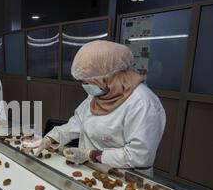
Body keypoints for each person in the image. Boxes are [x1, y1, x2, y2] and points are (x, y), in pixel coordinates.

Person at [34, 40, 166, 177]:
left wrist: (92, 155)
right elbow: (76, 124)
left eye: (89, 81)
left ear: (109, 76)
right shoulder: (100, 94)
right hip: (90, 171)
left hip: (124, 178)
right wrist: (51, 138)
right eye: (83, 81)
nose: (85, 85)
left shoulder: (142, 103)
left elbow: (139, 155)